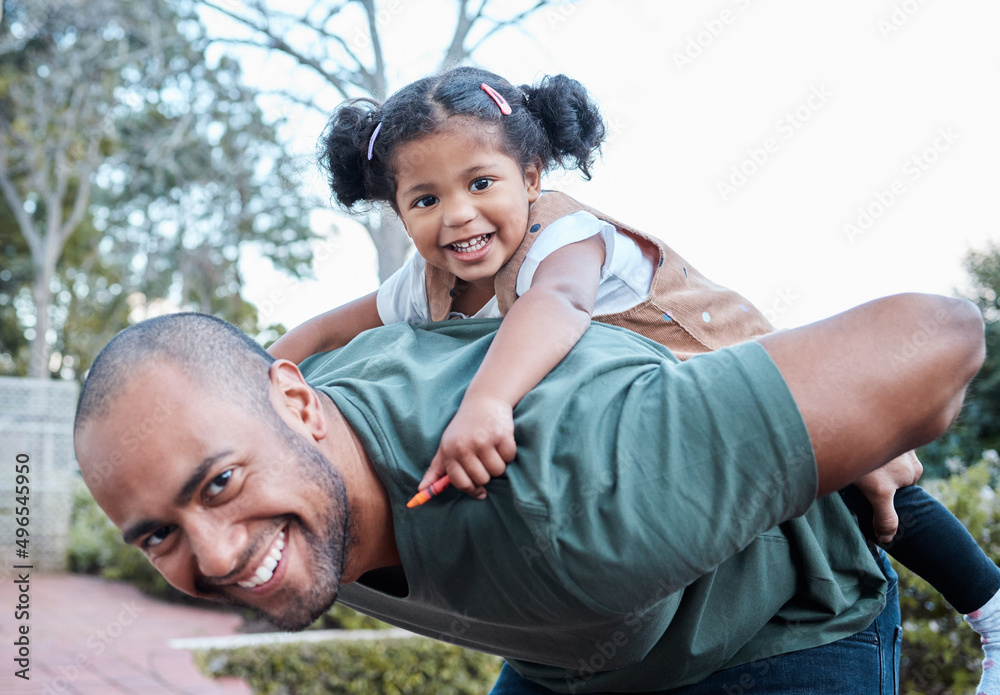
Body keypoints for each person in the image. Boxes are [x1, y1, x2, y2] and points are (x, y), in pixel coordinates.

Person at [269, 66, 1000, 692]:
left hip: (730, 375)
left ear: (531, 177)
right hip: (644, 455)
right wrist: (248, 381)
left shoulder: (566, 236)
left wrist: (487, 400)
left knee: (879, 479)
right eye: (425, 200)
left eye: (480, 182)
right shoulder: (426, 285)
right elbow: (322, 334)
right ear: (398, 210)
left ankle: (989, 606)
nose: (457, 215)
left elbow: (556, 306)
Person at [75, 293, 985, 693]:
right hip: (578, 653)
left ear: (297, 404)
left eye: (222, 483)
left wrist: (838, 435)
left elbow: (937, 335)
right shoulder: (285, 428)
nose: (220, 553)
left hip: (774, 630)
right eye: (158, 535)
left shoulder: (575, 497)